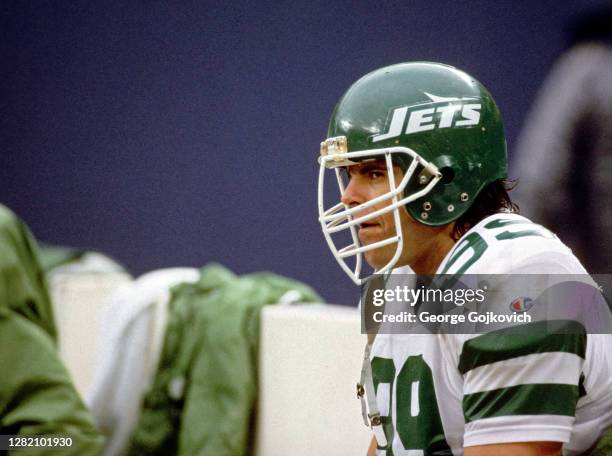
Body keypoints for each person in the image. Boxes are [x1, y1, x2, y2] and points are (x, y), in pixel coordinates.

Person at [316, 62, 612, 455]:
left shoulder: (516, 276)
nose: (348, 197)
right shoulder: (400, 281)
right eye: (349, 174)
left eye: (372, 172)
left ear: (444, 177)